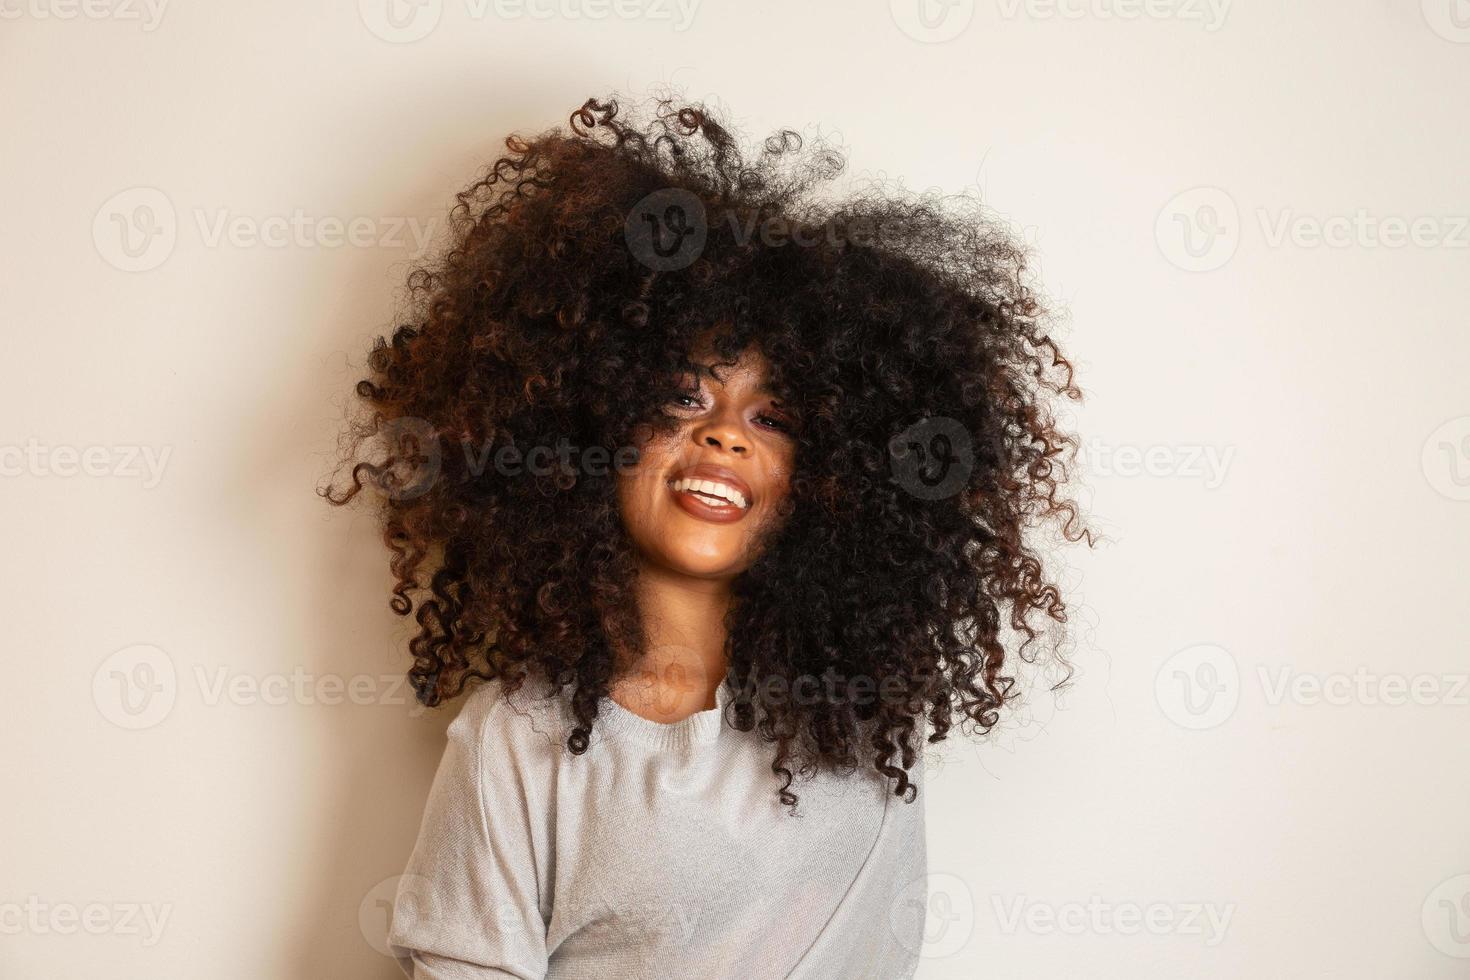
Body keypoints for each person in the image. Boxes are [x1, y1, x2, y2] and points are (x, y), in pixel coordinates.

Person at [323, 93, 1085, 979]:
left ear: (836, 475)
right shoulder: (518, 743)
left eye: (774, 416)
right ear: (590, 428)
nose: (725, 434)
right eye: (685, 398)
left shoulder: (862, 718)